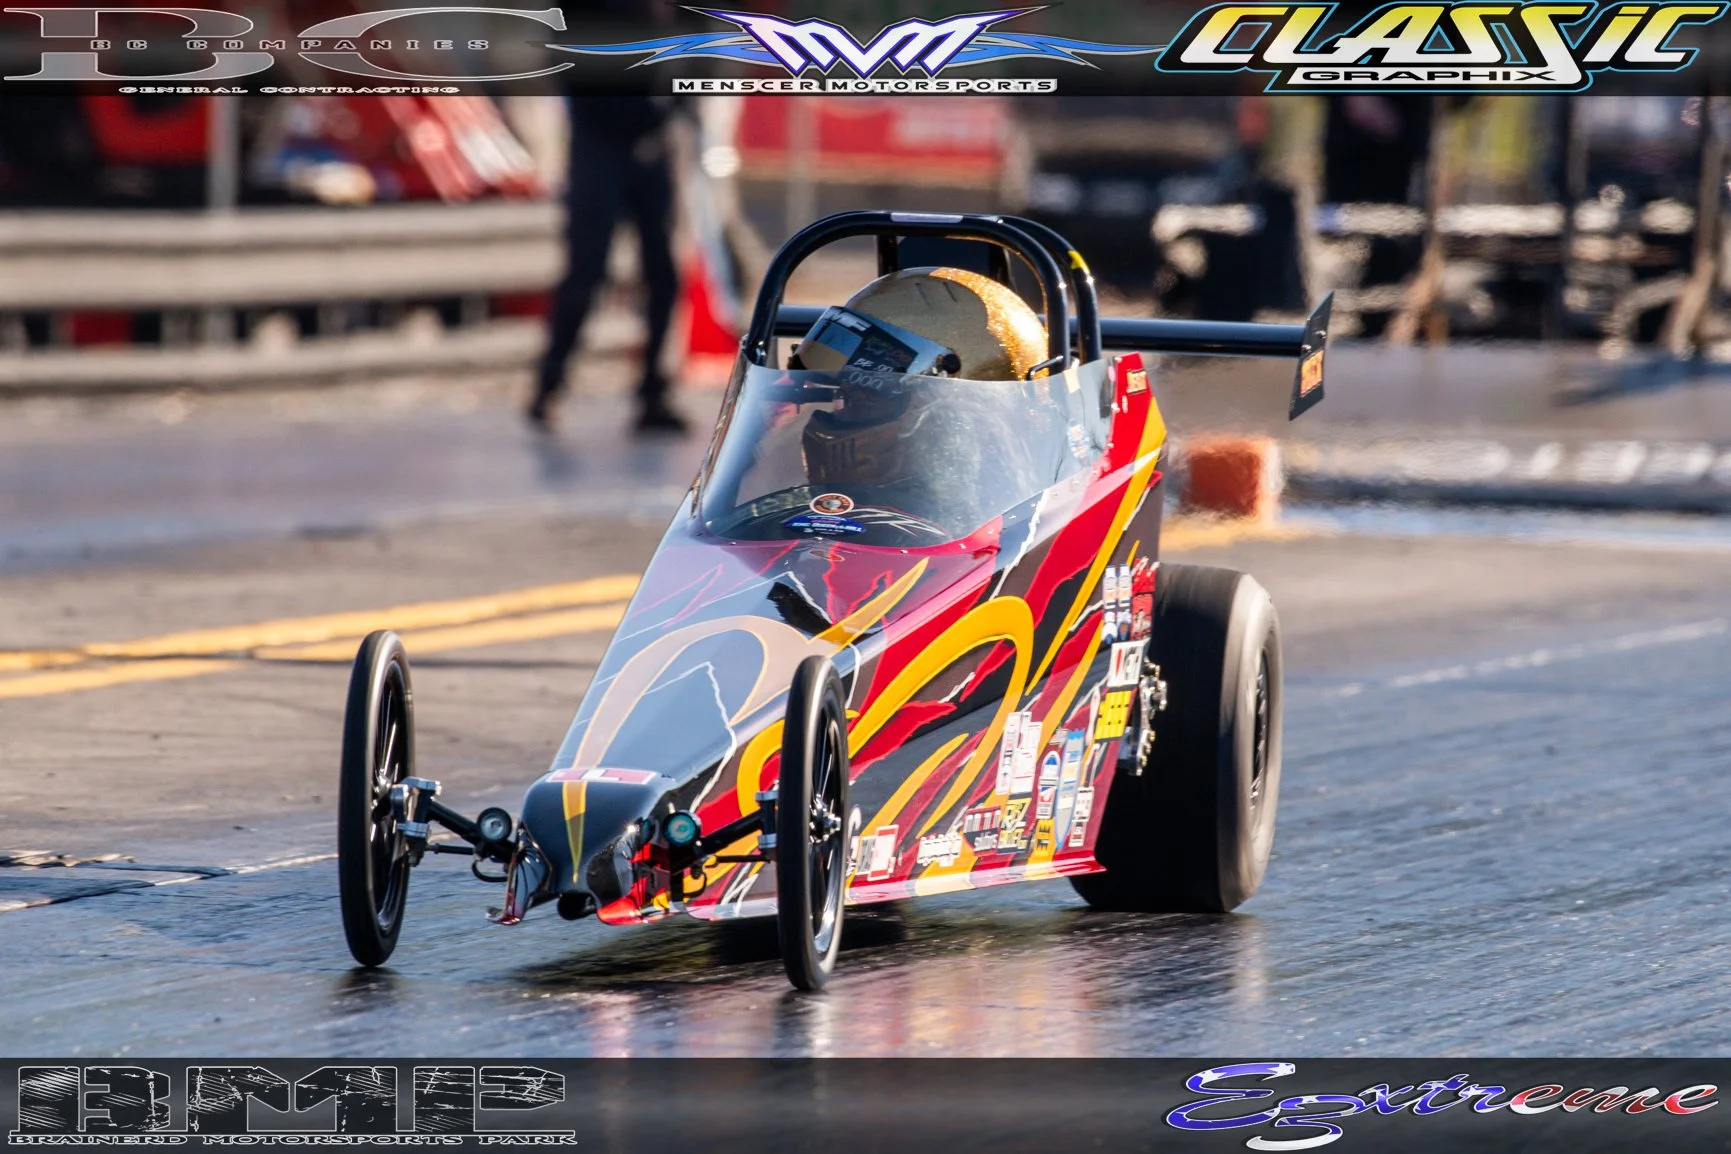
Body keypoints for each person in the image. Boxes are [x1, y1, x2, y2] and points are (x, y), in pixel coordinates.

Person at [528, 95, 687, 434]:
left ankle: (654, 391)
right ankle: (549, 385)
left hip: (651, 141)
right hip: (599, 141)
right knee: (585, 274)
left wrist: (669, 106)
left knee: (663, 275)